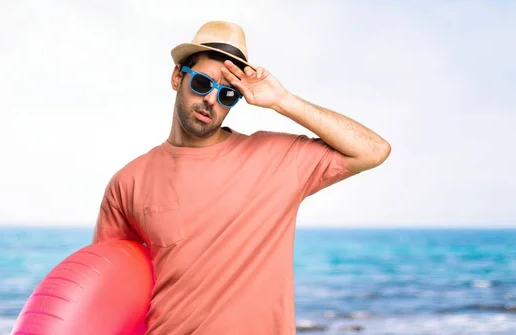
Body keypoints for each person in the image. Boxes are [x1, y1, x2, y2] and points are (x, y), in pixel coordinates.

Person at [92, 21, 391, 334]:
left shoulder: (276, 158)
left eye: (227, 95)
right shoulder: (128, 182)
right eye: (201, 84)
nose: (211, 100)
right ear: (177, 76)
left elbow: (372, 150)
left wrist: (282, 100)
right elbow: (106, 289)